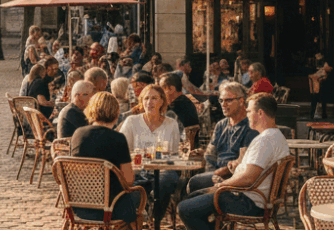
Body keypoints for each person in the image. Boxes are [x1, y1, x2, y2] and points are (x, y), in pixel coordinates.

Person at [178, 94, 289, 230]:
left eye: (249, 111)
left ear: (260, 113)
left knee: (185, 208)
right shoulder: (276, 136)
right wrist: (235, 169)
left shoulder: (265, 140)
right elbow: (253, 171)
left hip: (249, 202)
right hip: (254, 198)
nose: (246, 115)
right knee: (196, 192)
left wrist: (222, 185)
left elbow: (248, 178)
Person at [71, 92, 147, 230]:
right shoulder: (117, 138)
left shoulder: (78, 134)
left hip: (79, 204)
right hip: (110, 207)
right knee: (141, 191)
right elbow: (129, 180)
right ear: (116, 113)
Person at [119, 84, 181, 227]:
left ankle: (155, 220)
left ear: (162, 102)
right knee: (130, 193)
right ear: (142, 101)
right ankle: (138, 217)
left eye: (154, 98)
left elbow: (174, 153)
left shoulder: (171, 124)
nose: (149, 102)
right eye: (146, 98)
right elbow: (121, 149)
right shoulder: (132, 121)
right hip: (137, 171)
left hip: (163, 170)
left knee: (167, 179)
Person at [186, 82, 258, 193]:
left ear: (241, 101)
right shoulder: (221, 125)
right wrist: (211, 173)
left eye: (228, 100)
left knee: (193, 184)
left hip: (235, 181)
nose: (223, 104)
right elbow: (210, 155)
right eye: (221, 100)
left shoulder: (250, 127)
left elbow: (243, 164)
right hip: (216, 176)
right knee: (183, 183)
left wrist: (217, 175)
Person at [308, 54, 333, 119]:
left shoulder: (323, 65)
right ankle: (315, 113)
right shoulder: (316, 67)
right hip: (316, 84)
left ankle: (318, 113)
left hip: (319, 84)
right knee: (316, 99)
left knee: (319, 99)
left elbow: (329, 69)